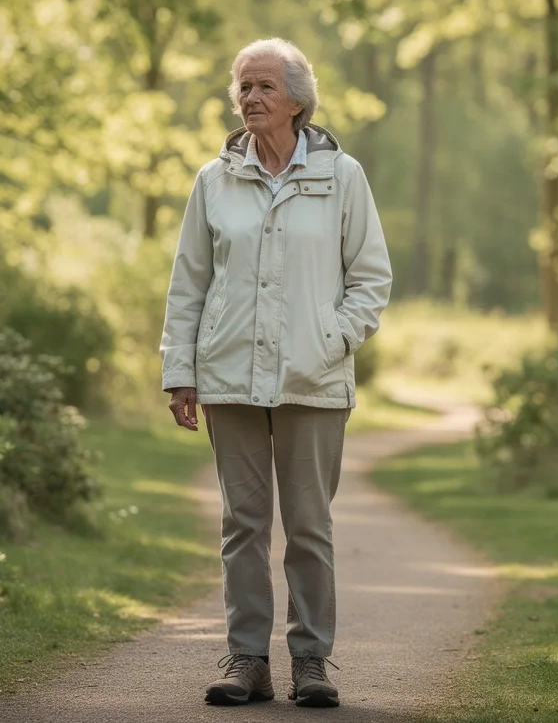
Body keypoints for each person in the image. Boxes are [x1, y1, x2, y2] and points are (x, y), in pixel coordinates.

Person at [159, 38, 392, 708]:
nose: (250, 97)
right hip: (228, 378)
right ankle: (248, 661)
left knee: (309, 527)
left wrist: (331, 339)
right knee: (243, 526)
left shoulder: (342, 175)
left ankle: (312, 662)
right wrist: (181, 370)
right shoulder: (214, 180)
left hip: (312, 382)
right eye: (243, 86)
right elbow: (189, 284)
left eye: (264, 86)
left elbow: (370, 278)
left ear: (296, 100)